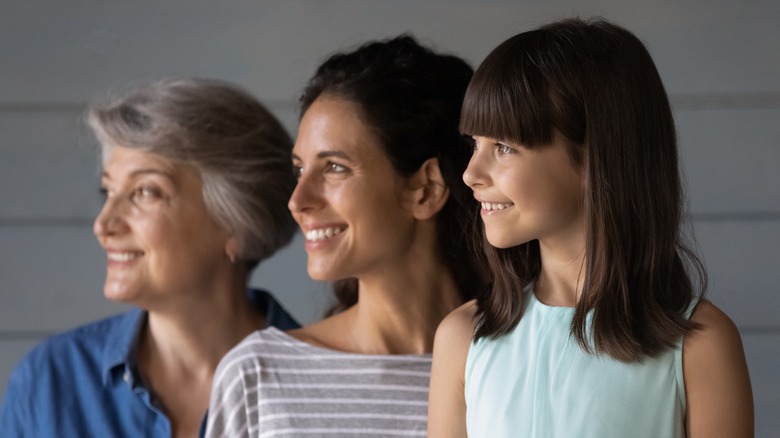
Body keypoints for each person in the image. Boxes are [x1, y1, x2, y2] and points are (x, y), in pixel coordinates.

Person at [428, 18, 754, 438]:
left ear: (596, 156)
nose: (471, 173)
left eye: (505, 147)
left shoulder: (700, 345)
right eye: (475, 144)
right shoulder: (462, 339)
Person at [205, 35, 487, 437]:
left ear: (425, 188)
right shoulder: (259, 376)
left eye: (334, 167)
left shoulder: (520, 365)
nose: (297, 201)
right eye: (300, 170)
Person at [0, 77, 301, 437]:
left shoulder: (324, 382)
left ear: (236, 222)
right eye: (108, 191)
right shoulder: (50, 380)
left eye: (145, 192)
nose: (104, 224)